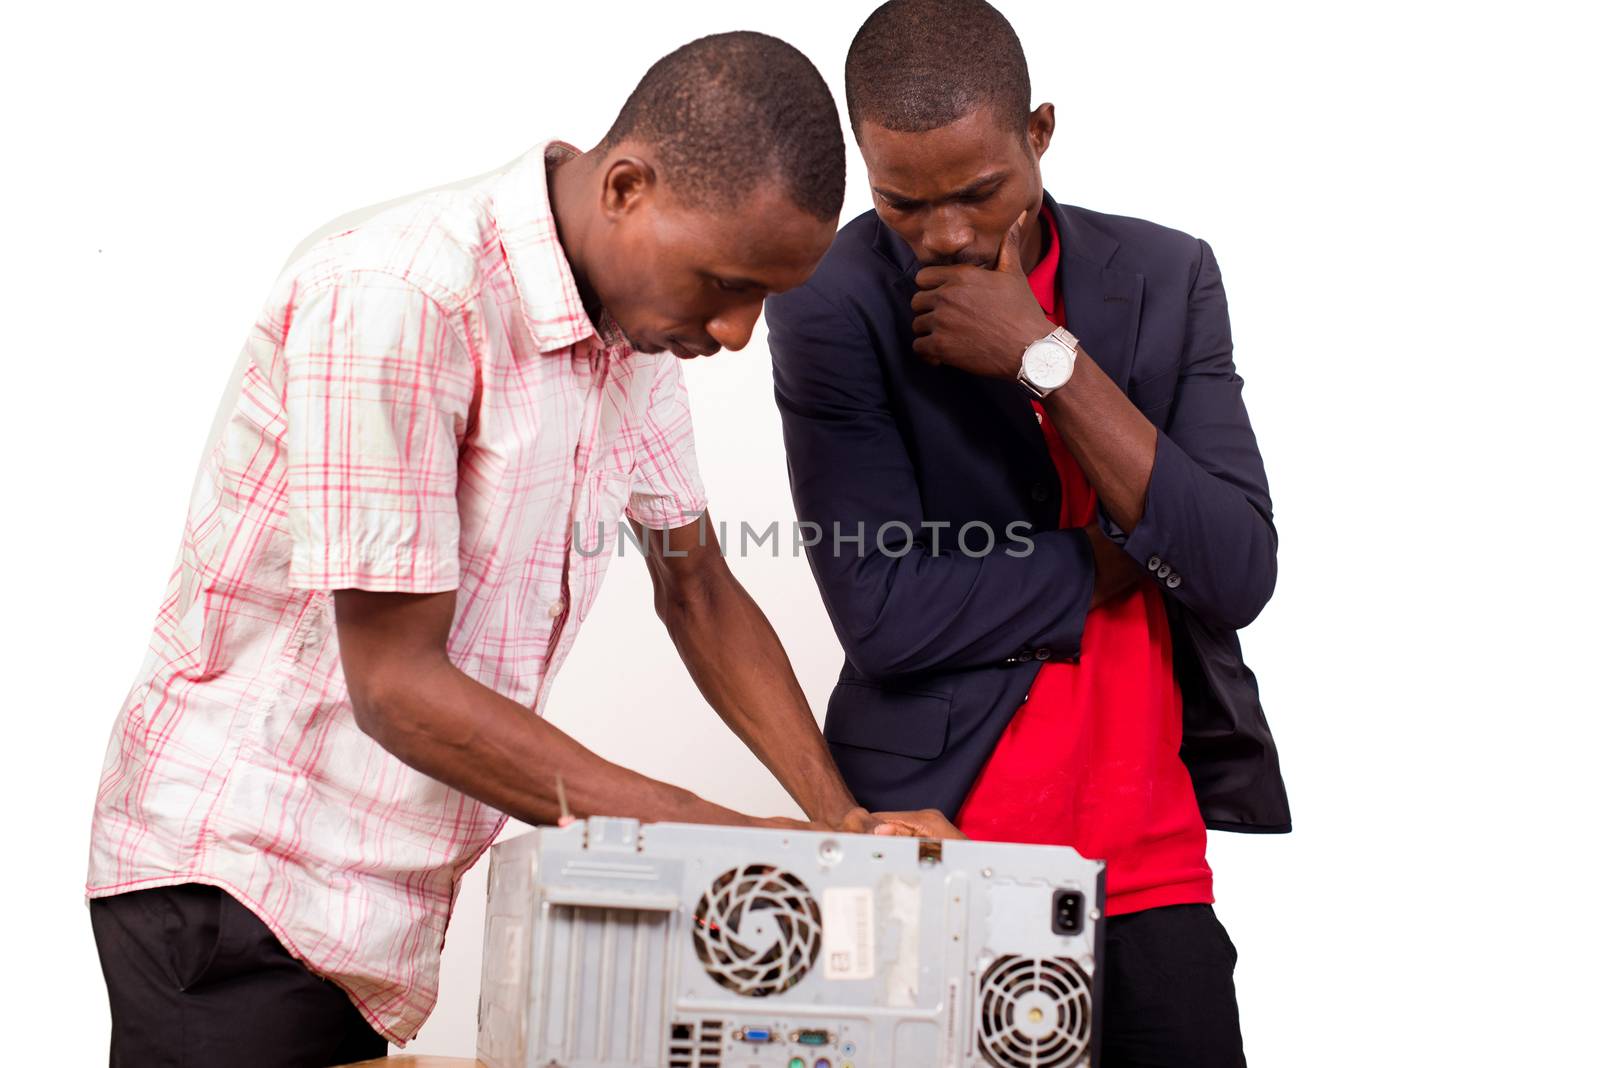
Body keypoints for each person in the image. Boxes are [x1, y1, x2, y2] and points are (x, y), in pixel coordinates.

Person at [86, 31, 956, 1067]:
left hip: (364, 915)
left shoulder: (634, 338)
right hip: (238, 886)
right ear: (626, 186)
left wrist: (839, 828)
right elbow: (397, 686)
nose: (736, 333)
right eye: (726, 283)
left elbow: (701, 594)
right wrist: (717, 840)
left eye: (766, 297)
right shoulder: (403, 294)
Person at [764, 2, 1292, 1064]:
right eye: (902, 202)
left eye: (977, 192)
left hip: (1148, 860)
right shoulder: (830, 298)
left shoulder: (1167, 275)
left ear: (1038, 132)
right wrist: (1120, 551)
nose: (946, 234)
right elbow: (882, 611)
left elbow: (1233, 571)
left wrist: (1044, 354)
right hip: (934, 840)